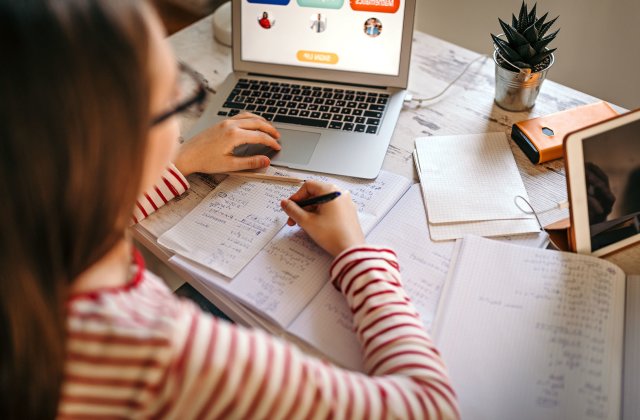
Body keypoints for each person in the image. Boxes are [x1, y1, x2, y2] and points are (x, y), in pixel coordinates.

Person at [0, 0, 458, 418]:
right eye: (173, 101)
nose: (184, 114)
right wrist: (355, 253)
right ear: (113, 150)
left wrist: (181, 161)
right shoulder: (165, 359)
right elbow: (428, 406)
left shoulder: (28, 232)